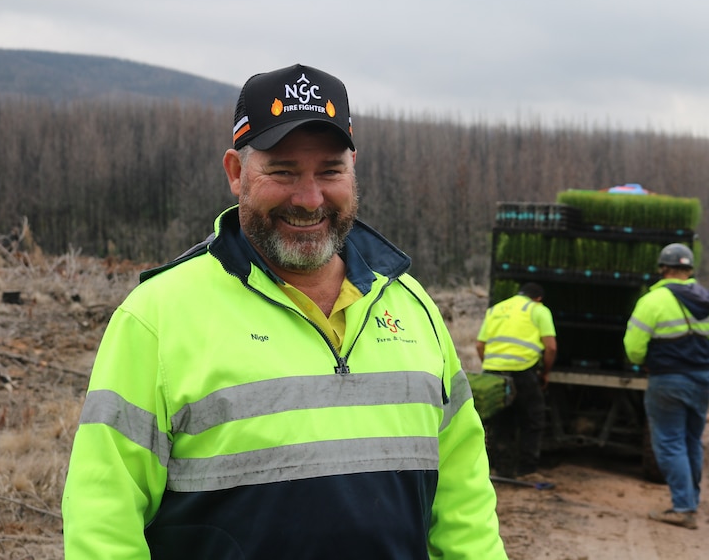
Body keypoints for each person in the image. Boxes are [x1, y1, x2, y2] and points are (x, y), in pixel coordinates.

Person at [61, 63, 508, 559]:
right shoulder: (158, 317)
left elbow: (464, 500)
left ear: (353, 169)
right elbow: (103, 519)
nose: (310, 198)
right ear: (236, 173)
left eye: (330, 171)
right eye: (283, 171)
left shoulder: (412, 306)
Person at [624, 243, 709, 530]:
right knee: (692, 440)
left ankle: (683, 508)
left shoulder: (653, 301)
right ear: (690, 269)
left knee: (670, 442)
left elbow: (633, 347)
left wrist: (641, 362)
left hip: (667, 379)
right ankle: (691, 501)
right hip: (702, 380)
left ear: (663, 269)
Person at [476, 282, 557, 478]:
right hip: (522, 372)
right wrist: (545, 372)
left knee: (500, 421)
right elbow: (551, 347)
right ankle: (526, 470)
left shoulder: (496, 309)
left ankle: (499, 468)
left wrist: (492, 366)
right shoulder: (538, 310)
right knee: (532, 419)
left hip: (493, 373)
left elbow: (479, 345)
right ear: (538, 298)